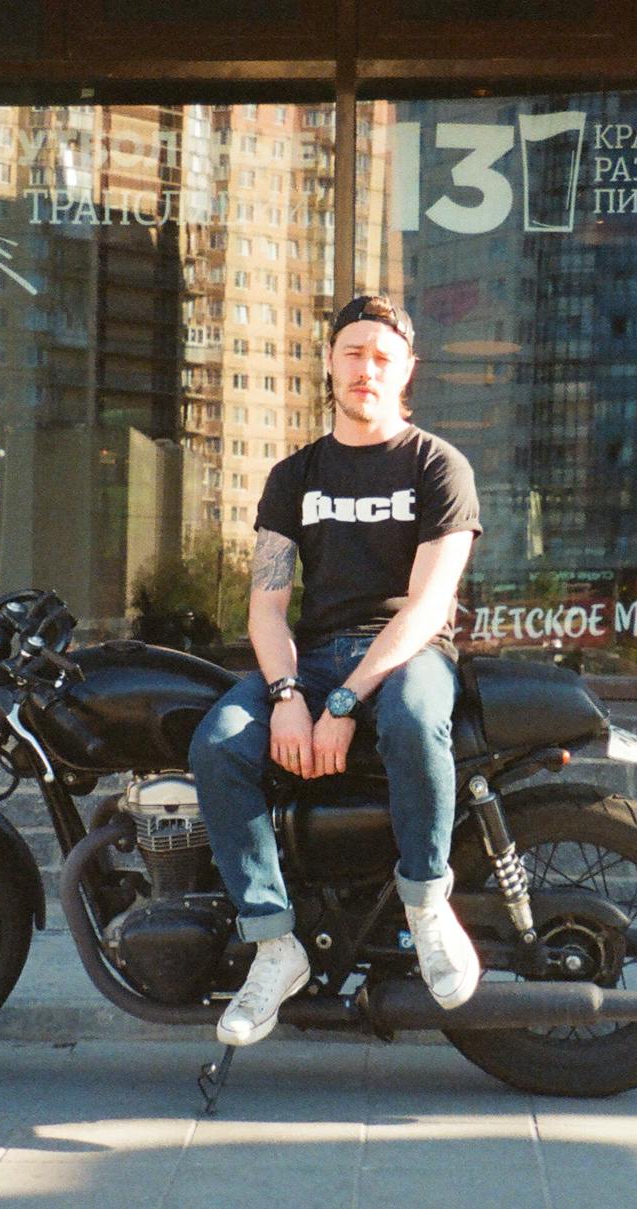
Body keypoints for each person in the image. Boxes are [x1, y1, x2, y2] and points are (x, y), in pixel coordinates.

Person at [189, 293, 483, 1047]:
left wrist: (348, 700)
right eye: (353, 352)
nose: (367, 368)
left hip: (408, 653)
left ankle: (425, 904)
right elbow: (266, 606)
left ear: (407, 369)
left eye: (383, 357)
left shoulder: (438, 466)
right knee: (219, 741)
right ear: (328, 361)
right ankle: (274, 942)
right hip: (313, 658)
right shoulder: (294, 477)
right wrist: (289, 694)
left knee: (416, 720)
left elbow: (425, 607)